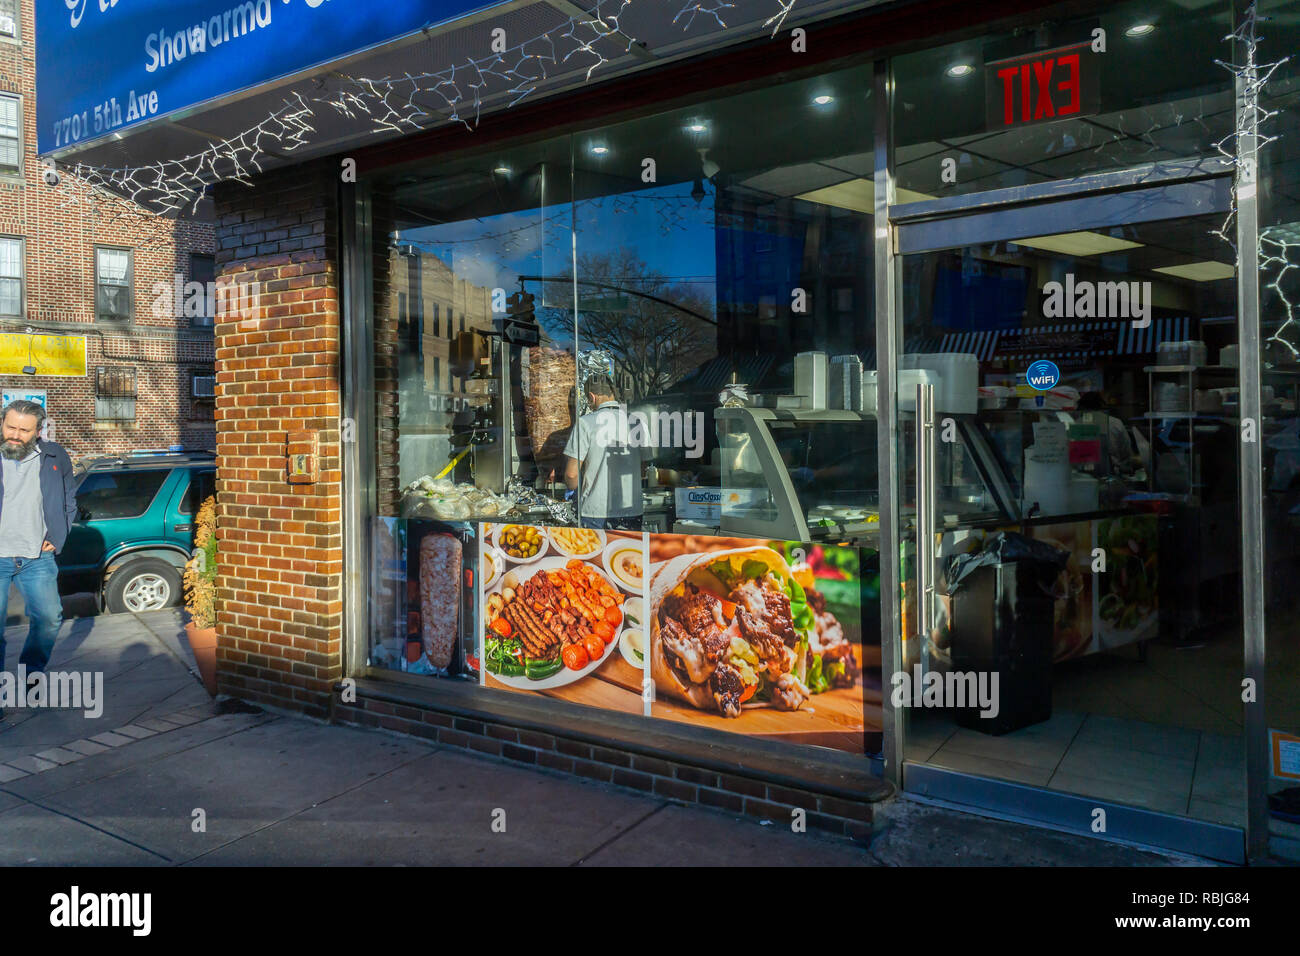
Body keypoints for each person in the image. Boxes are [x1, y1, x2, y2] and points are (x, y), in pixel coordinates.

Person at [0, 400, 77, 714]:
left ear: (38, 431)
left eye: (23, 430)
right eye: (10, 427)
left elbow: (69, 496)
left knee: (48, 619)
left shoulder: (55, 455)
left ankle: (31, 675)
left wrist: (59, 535)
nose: (15, 435)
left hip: (37, 555)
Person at [563, 375, 646, 530]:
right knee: (626, 553)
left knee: (597, 554)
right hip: (632, 509)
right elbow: (643, 469)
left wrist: (572, 491)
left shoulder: (585, 423)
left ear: (592, 397)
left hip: (595, 511)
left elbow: (571, 475)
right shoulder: (636, 422)